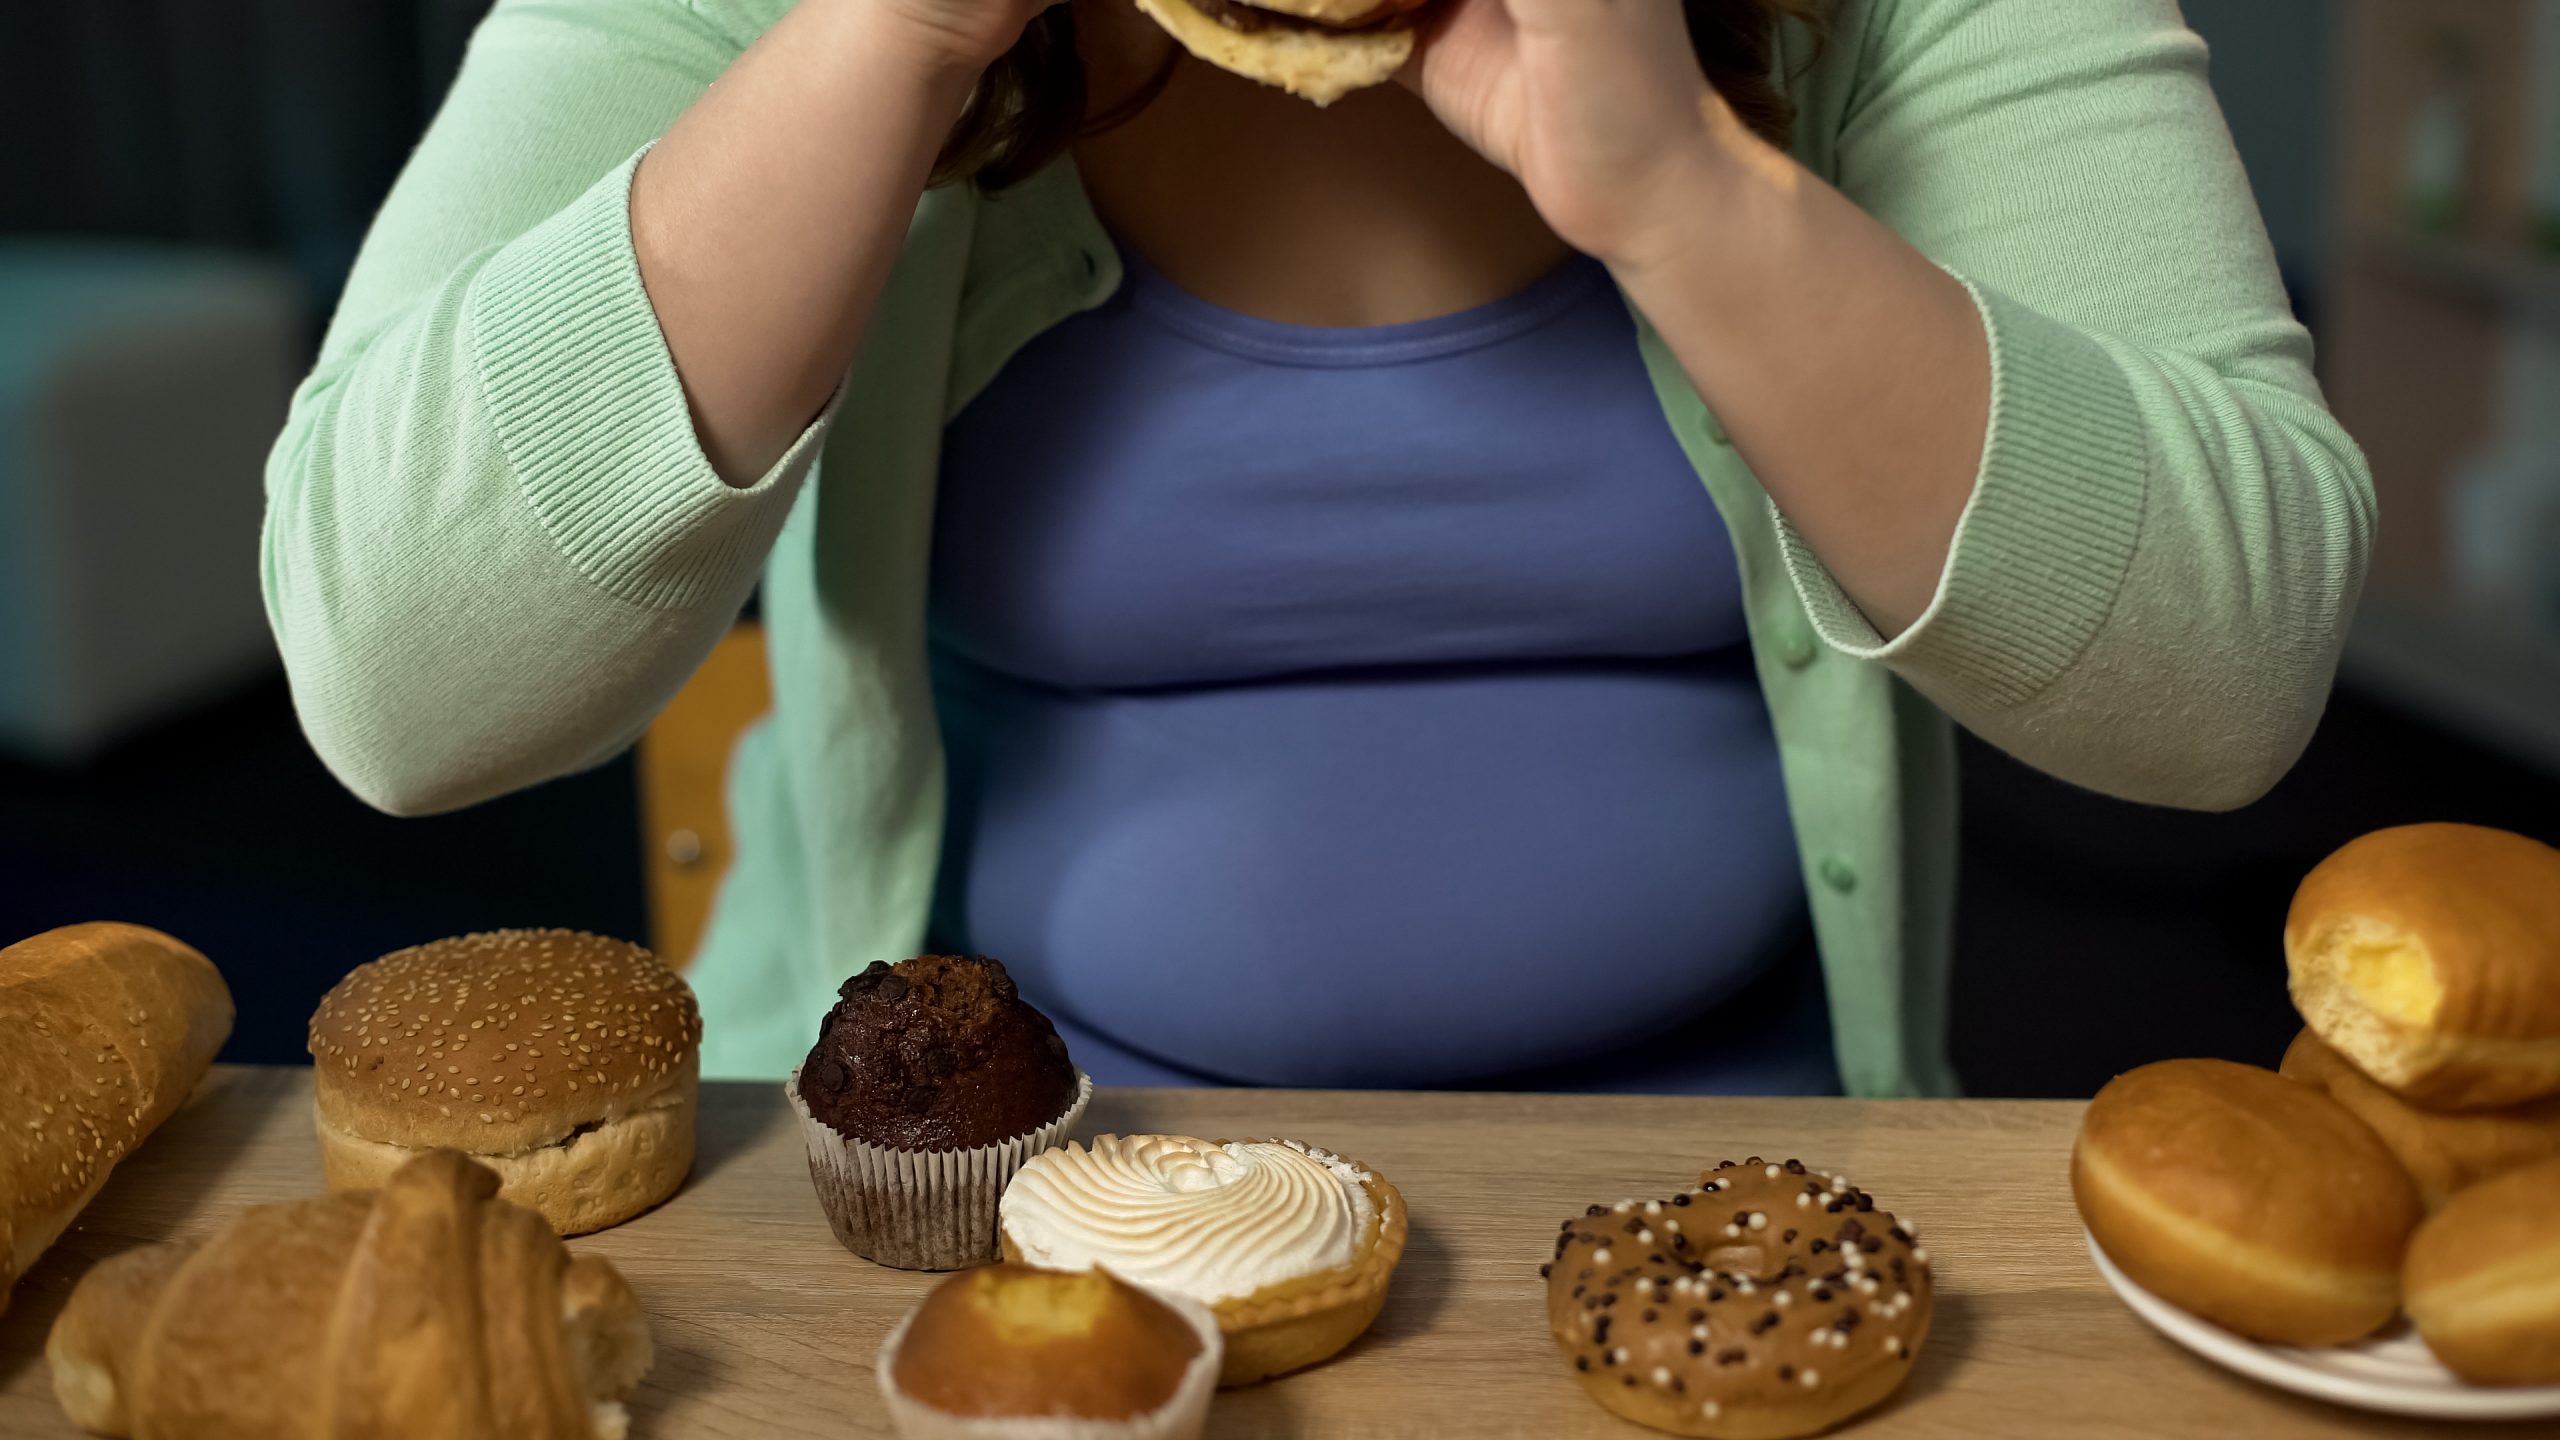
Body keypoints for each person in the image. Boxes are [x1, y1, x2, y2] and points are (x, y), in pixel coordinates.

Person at [262, 0, 2371, 1096]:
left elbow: (2225, 672)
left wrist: (1688, 200)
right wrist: (884, 44)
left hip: (1749, 1176)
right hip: (976, 1207)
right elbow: (396, 680)